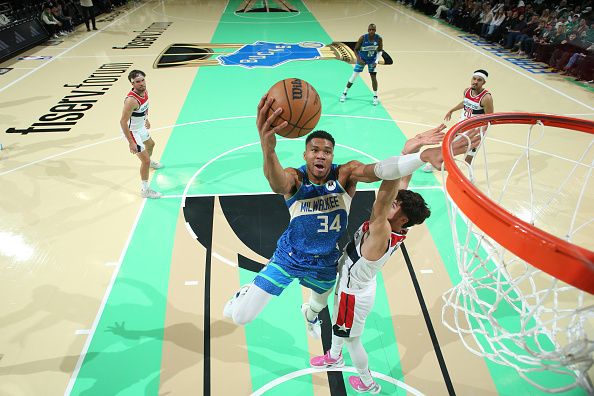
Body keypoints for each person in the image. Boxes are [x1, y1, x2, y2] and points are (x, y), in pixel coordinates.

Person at [223, 94, 462, 338]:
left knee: (319, 304)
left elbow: (377, 171)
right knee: (240, 316)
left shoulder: (345, 175)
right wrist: (268, 147)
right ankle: (246, 292)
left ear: (332, 156)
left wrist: (419, 156)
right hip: (290, 256)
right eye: (314, 150)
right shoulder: (296, 178)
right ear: (305, 155)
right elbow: (276, 183)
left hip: (326, 260)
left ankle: (310, 316)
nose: (320, 155)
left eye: (327, 151)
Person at [309, 181, 430, 394]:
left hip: (353, 296)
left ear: (403, 219)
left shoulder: (382, 232)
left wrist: (390, 176)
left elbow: (382, 201)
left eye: (395, 204)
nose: (390, 202)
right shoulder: (393, 225)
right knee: (340, 324)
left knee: (352, 341)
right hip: (351, 286)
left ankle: (367, 383)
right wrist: (411, 155)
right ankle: (334, 357)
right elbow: (397, 186)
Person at [423, 69, 493, 172]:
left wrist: (482, 132)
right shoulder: (467, 91)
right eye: (474, 79)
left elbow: (490, 117)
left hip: (475, 129)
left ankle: (468, 175)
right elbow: (465, 102)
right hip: (461, 125)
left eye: (479, 80)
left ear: (484, 82)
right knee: (448, 144)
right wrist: (453, 109)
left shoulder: (486, 98)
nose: (475, 81)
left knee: (469, 154)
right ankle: (437, 163)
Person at [119, 70, 163, 199]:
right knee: (145, 160)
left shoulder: (145, 91)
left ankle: (147, 164)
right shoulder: (131, 100)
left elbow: (145, 107)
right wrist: (131, 142)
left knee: (151, 144)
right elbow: (123, 122)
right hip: (131, 131)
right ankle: (145, 190)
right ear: (132, 83)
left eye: (143, 80)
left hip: (139, 126)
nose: (141, 83)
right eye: (138, 82)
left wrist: (146, 119)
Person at [339, 24, 383, 106]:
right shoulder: (362, 38)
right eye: (370, 29)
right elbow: (355, 49)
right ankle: (344, 93)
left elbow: (380, 51)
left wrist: (376, 61)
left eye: (373, 30)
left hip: (372, 60)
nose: (371, 31)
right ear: (367, 30)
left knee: (373, 77)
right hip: (362, 59)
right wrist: (359, 59)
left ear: (375, 30)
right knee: (354, 76)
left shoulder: (379, 39)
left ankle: (375, 96)